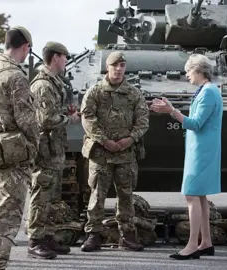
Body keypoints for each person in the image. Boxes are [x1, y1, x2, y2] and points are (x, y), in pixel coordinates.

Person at [0, 26, 39, 270]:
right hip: (12, 156)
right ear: (25, 47)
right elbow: (27, 122)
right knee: (6, 217)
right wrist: (34, 147)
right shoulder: (15, 76)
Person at [150, 53, 223, 260]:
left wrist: (171, 110)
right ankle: (206, 242)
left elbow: (196, 123)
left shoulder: (208, 92)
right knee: (199, 196)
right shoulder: (207, 90)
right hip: (200, 149)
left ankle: (192, 245)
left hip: (202, 151)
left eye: (188, 71)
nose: (186, 75)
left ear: (199, 70)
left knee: (191, 195)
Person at [79, 51, 149, 252]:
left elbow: (143, 121)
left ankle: (127, 235)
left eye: (122, 66)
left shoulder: (134, 94)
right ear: (107, 67)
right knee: (97, 195)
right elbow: (87, 118)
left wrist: (131, 139)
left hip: (126, 154)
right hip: (101, 153)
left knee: (126, 195)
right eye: (115, 65)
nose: (118, 69)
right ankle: (93, 235)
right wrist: (104, 140)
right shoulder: (95, 92)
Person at [26, 41, 80, 259]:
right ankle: (35, 239)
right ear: (56, 57)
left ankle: (47, 235)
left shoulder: (53, 83)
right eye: (65, 57)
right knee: (41, 194)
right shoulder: (43, 85)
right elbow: (45, 119)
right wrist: (71, 118)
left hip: (54, 148)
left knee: (51, 196)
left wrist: (66, 111)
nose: (66, 61)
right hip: (44, 150)